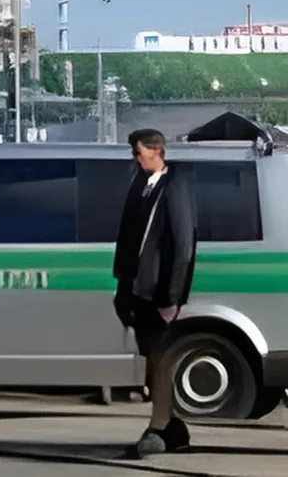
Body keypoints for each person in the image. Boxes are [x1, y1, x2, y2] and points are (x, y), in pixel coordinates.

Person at [112, 128, 197, 459]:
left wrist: (171, 298)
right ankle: (174, 428)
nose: (134, 158)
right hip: (136, 288)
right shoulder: (140, 185)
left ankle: (159, 426)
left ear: (156, 150)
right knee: (151, 357)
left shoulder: (174, 186)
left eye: (138, 152)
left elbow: (183, 247)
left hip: (159, 293)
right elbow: (128, 238)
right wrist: (122, 285)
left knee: (160, 360)